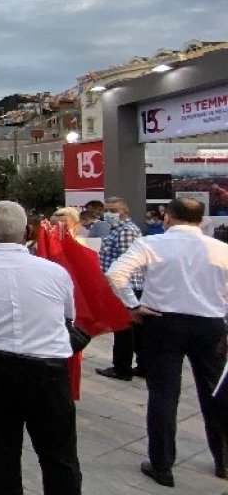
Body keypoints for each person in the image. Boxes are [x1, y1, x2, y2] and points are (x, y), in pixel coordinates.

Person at [0, 201, 81, 495]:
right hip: (47, 366)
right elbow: (68, 315)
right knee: (58, 453)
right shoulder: (54, 272)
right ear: (27, 231)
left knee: (1, 450)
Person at [106, 197, 228, 488]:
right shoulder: (222, 249)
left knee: (163, 394)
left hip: (162, 321)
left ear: (167, 218)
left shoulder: (152, 244)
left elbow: (116, 273)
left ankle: (162, 465)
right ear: (200, 221)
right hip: (209, 324)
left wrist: (132, 305)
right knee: (215, 393)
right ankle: (223, 461)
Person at [96, 196, 146, 382]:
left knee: (124, 330)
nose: (108, 214)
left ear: (124, 212)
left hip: (126, 286)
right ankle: (142, 366)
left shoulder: (126, 231)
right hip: (124, 287)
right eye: (106, 209)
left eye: (113, 210)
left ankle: (122, 368)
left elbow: (126, 264)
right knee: (134, 331)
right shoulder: (116, 229)